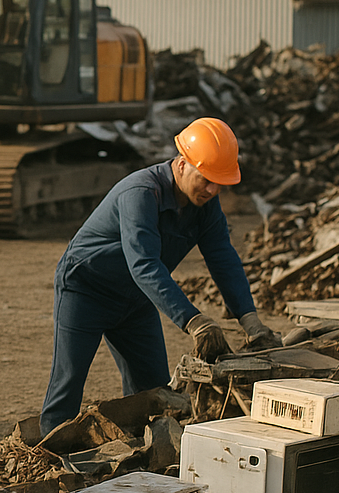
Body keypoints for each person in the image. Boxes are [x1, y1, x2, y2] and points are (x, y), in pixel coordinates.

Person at [40, 117, 280, 437]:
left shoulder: (205, 204)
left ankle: (144, 458)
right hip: (86, 290)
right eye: (206, 179)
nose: (212, 189)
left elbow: (223, 258)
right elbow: (144, 264)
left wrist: (250, 321)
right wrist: (194, 321)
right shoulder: (141, 193)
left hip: (136, 299)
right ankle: (48, 459)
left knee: (154, 391)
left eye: (219, 182)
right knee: (68, 384)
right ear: (181, 165)